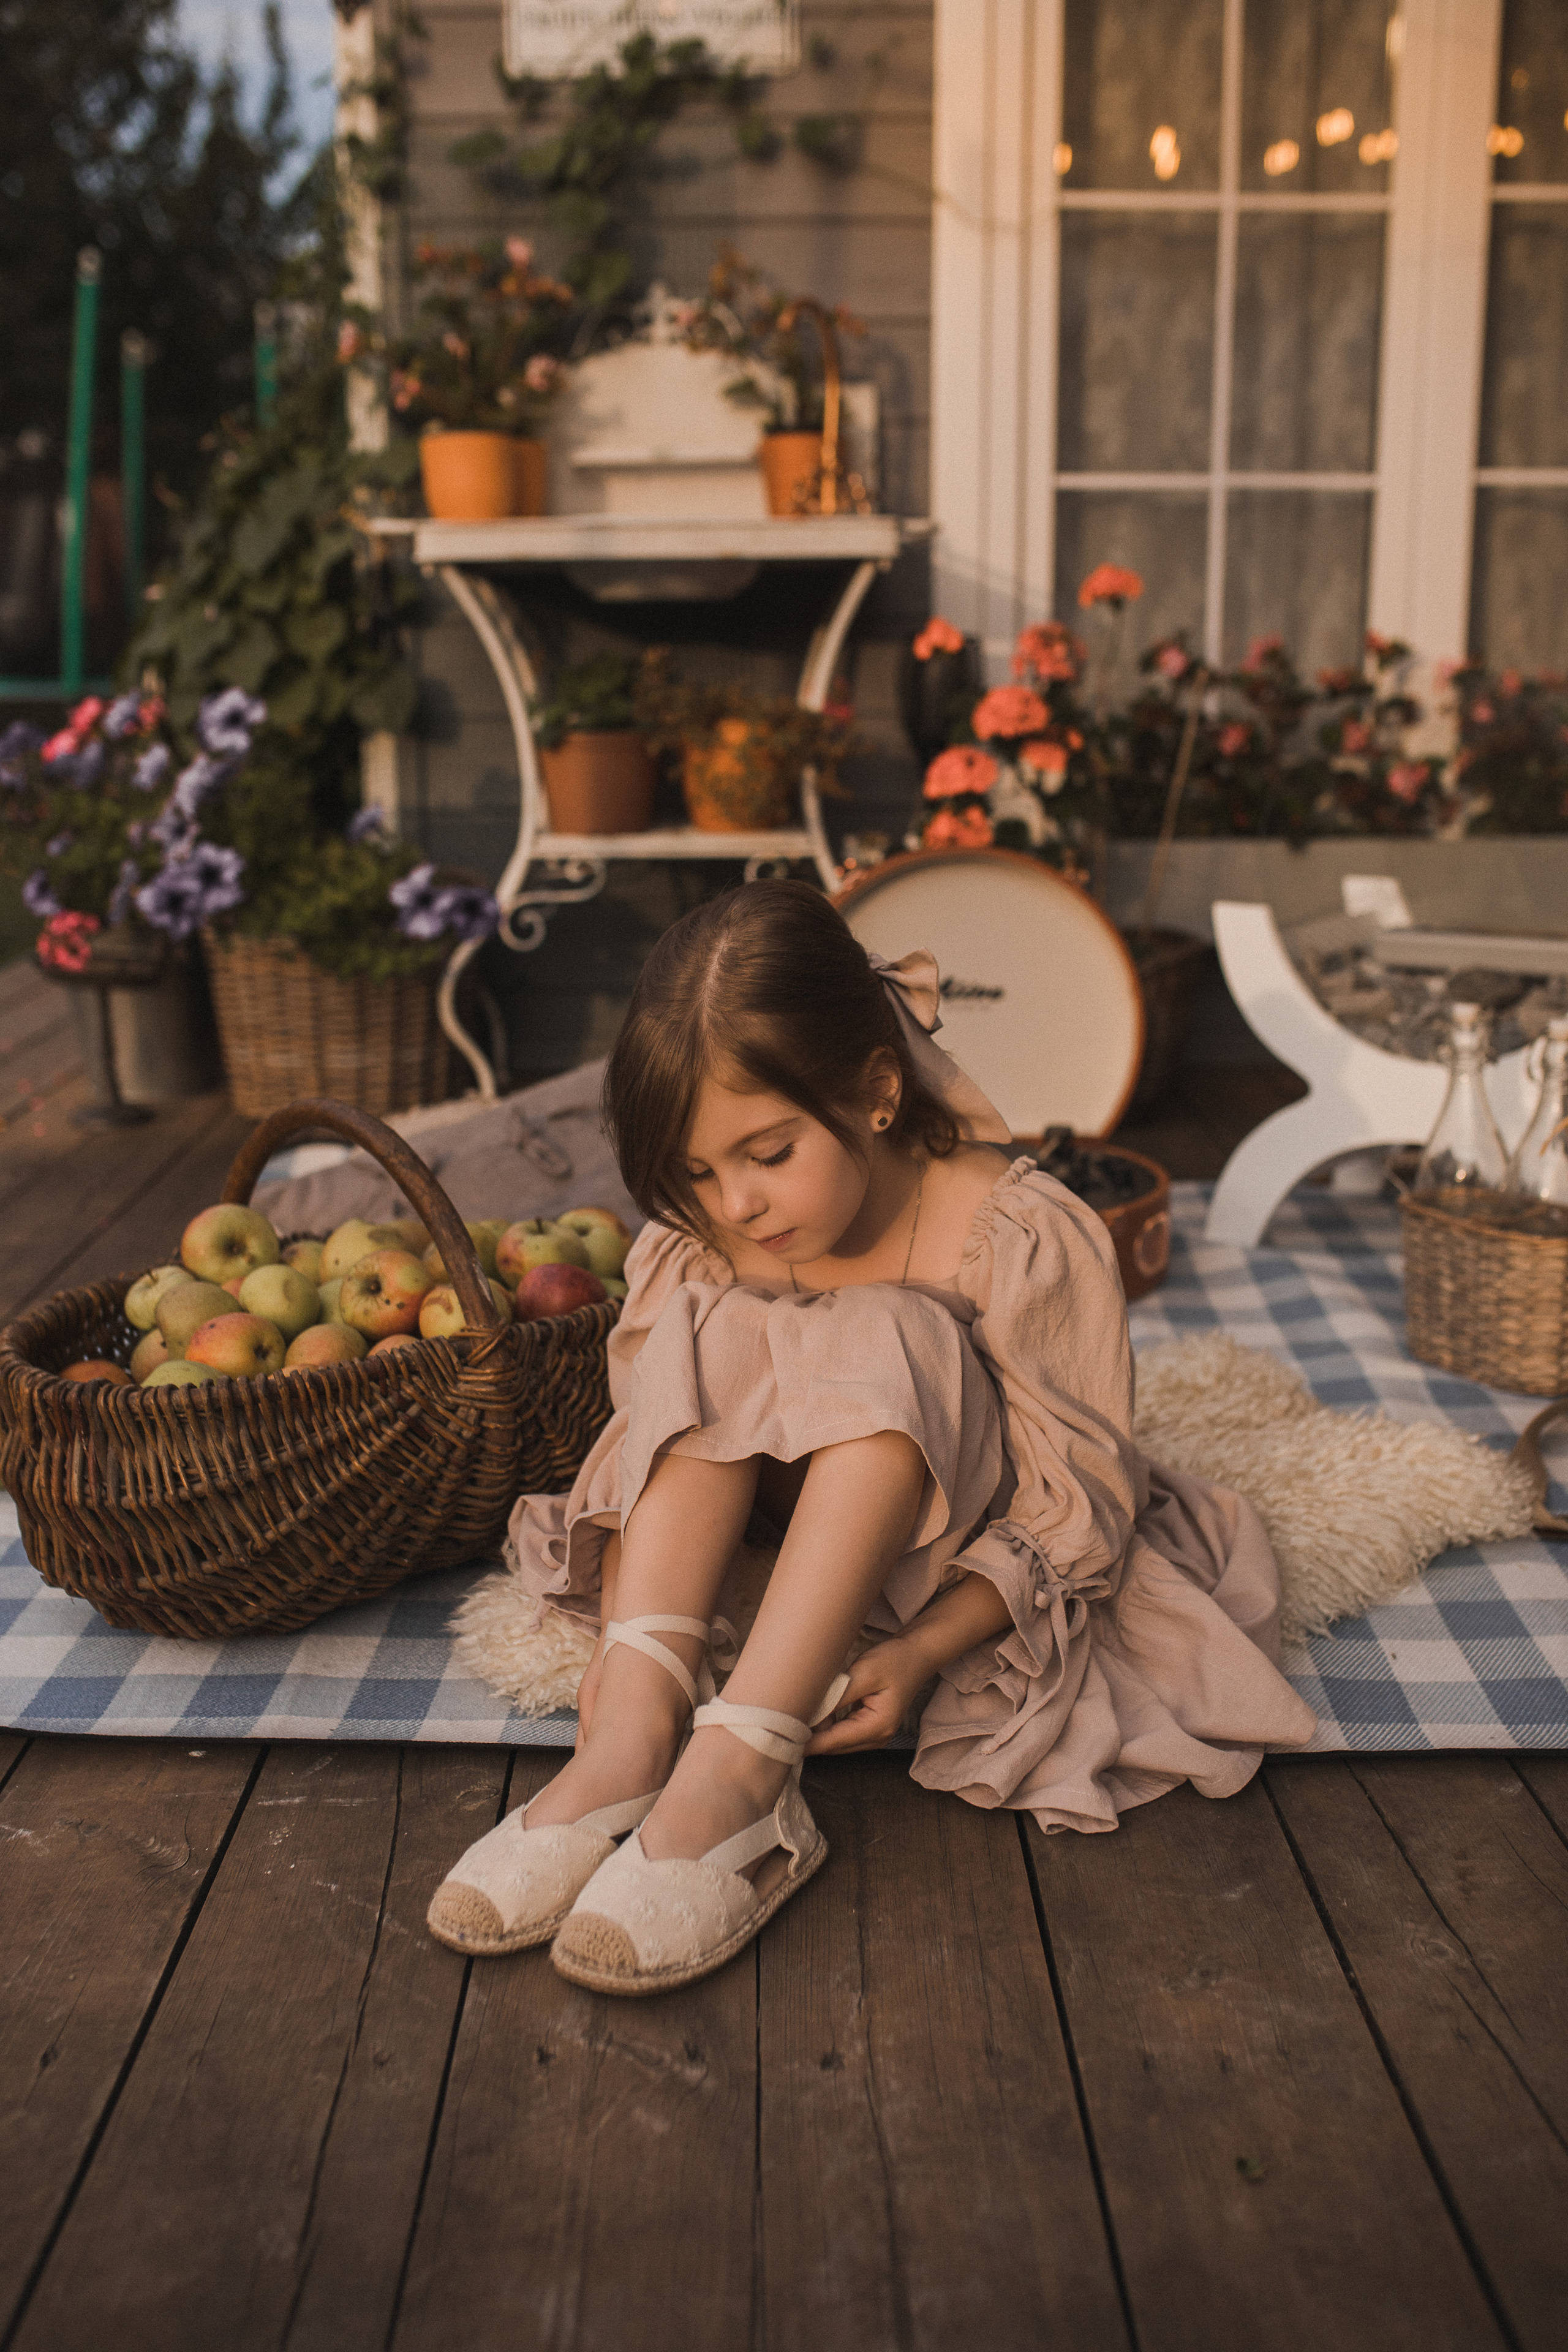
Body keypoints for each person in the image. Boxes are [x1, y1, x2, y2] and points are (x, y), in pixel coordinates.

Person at [428, 881, 1316, 1994]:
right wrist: (633, 1641)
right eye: (699, 1171)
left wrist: (926, 1648)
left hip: (942, 1558)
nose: (737, 1203)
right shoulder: (704, 1241)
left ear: (878, 1092)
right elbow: (653, 1433)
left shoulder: (1012, 1231)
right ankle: (632, 1736)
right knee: (716, 1321)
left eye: (768, 1151)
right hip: (771, 1554)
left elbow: (1076, 1501)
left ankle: (746, 1768)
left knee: (886, 1334)